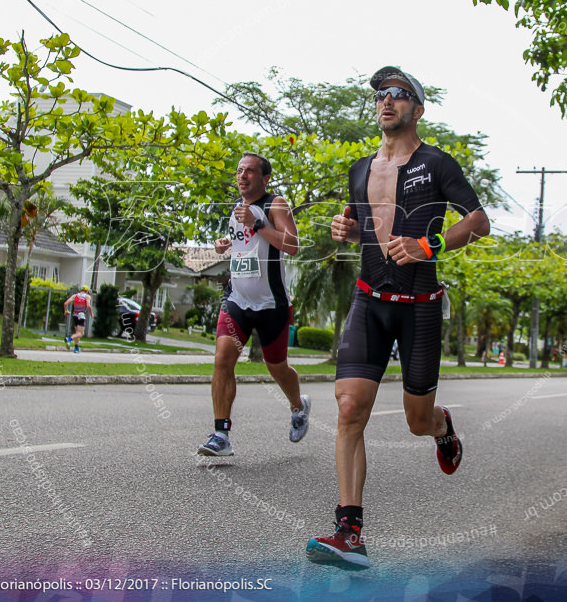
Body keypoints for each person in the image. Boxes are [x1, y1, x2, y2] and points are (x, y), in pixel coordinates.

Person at [306, 67, 490, 568]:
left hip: (421, 309)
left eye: (399, 94)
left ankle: (441, 427)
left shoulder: (438, 162)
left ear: (417, 108)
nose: (387, 101)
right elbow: (357, 220)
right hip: (370, 300)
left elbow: (478, 221)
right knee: (349, 409)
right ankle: (350, 532)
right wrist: (344, 227)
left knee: (415, 422)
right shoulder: (360, 168)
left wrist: (428, 243)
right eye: (381, 95)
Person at [197, 152, 311, 457]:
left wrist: (259, 223)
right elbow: (246, 243)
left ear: (265, 178)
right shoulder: (237, 210)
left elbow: (293, 245)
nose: (242, 176)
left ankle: (298, 406)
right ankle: (221, 434)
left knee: (277, 368)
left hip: (271, 304)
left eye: (249, 171)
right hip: (237, 300)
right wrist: (226, 243)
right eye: (239, 171)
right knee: (223, 359)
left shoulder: (276, 204)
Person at [63, 285, 94, 354]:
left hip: (74, 315)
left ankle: (76, 348)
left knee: (77, 332)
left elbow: (65, 303)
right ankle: (69, 339)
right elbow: (88, 306)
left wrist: (66, 311)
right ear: (87, 291)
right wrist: (91, 314)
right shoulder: (87, 296)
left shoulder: (75, 295)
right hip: (81, 315)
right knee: (80, 334)